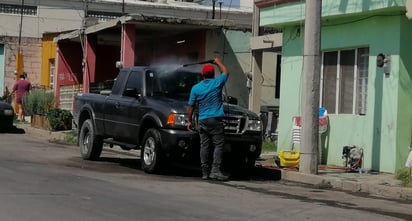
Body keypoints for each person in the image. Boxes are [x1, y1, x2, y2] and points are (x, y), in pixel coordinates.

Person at [187, 57, 229, 181]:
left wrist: (189, 121)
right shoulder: (217, 83)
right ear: (213, 74)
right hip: (215, 120)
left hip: (202, 120)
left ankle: (205, 172)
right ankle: (215, 170)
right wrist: (218, 62)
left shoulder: (196, 88)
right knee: (218, 145)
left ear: (202, 75)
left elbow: (191, 106)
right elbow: (226, 72)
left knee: (204, 146)